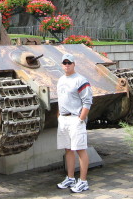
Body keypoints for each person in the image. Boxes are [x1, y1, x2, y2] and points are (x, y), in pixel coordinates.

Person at [56, 53, 93, 193]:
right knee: (68, 149)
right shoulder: (60, 80)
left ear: (74, 64)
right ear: (62, 64)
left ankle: (83, 181)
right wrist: (59, 116)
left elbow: (87, 101)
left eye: (69, 63)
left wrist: (80, 119)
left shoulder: (81, 80)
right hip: (64, 119)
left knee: (80, 149)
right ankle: (70, 178)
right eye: (64, 63)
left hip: (76, 119)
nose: (66, 65)